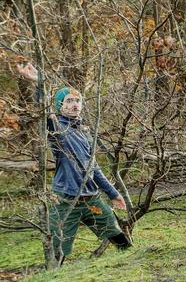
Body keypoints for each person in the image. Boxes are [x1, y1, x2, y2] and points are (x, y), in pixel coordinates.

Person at [16, 62, 132, 264]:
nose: (74, 104)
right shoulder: (57, 128)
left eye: (77, 100)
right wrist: (39, 82)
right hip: (64, 201)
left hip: (91, 199)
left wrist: (113, 194)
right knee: (59, 248)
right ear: (60, 105)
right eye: (69, 101)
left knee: (116, 234)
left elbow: (93, 169)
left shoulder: (84, 132)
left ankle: (132, 266)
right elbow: (45, 111)